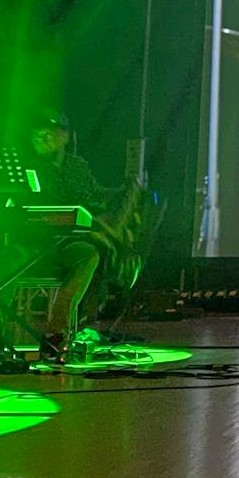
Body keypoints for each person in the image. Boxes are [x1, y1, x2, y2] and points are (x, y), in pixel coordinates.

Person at [21, 110, 145, 353]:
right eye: (36, 135)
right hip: (32, 241)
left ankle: (58, 332)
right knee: (6, 260)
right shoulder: (25, 168)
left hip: (67, 243)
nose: (41, 140)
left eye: (47, 134)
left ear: (64, 136)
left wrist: (126, 191)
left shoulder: (77, 166)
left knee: (89, 255)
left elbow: (95, 198)